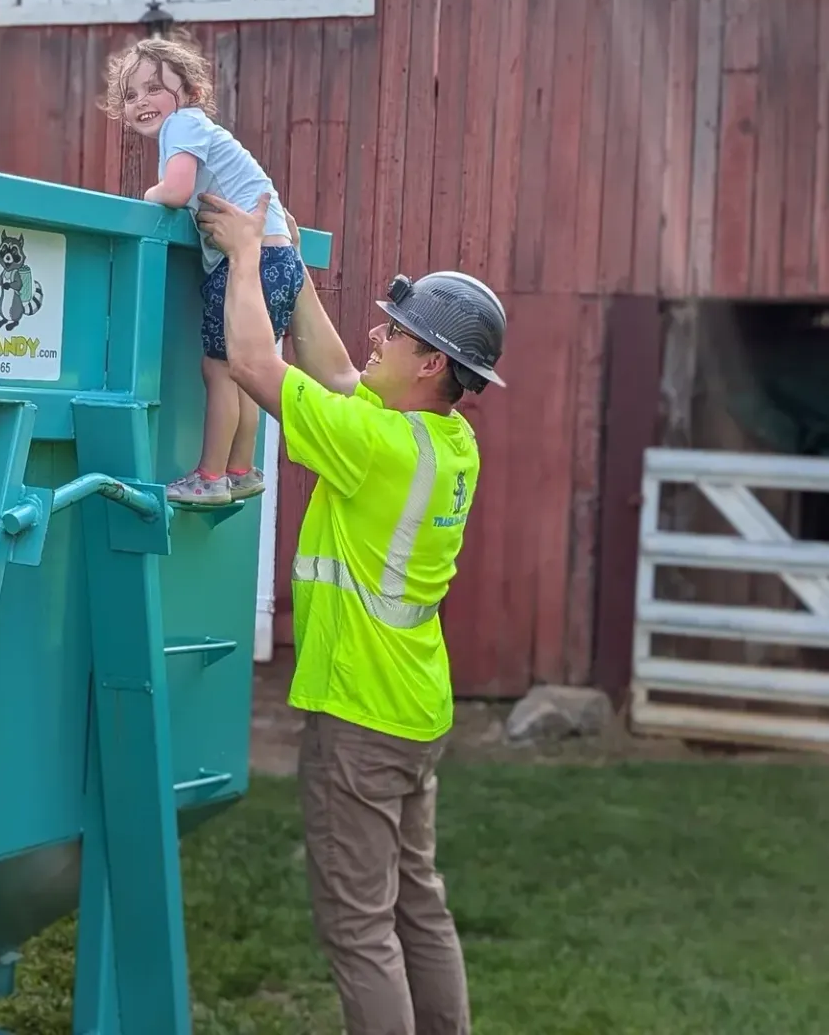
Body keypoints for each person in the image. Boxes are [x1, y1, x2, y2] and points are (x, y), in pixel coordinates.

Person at [194, 189, 507, 1035]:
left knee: (359, 928)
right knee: (417, 906)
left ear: (432, 364)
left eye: (396, 334)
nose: (380, 337)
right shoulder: (444, 441)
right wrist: (295, 271)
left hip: (359, 720)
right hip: (414, 709)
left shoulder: (374, 449)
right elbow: (339, 375)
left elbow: (260, 369)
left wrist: (250, 260)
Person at [100, 31, 303, 506]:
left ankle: (209, 476)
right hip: (278, 260)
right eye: (131, 95)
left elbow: (174, 190)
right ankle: (241, 468)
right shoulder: (199, 129)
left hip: (247, 261)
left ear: (189, 93)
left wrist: (146, 200)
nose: (141, 102)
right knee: (247, 371)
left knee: (218, 371)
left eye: (155, 88)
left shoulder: (184, 126)